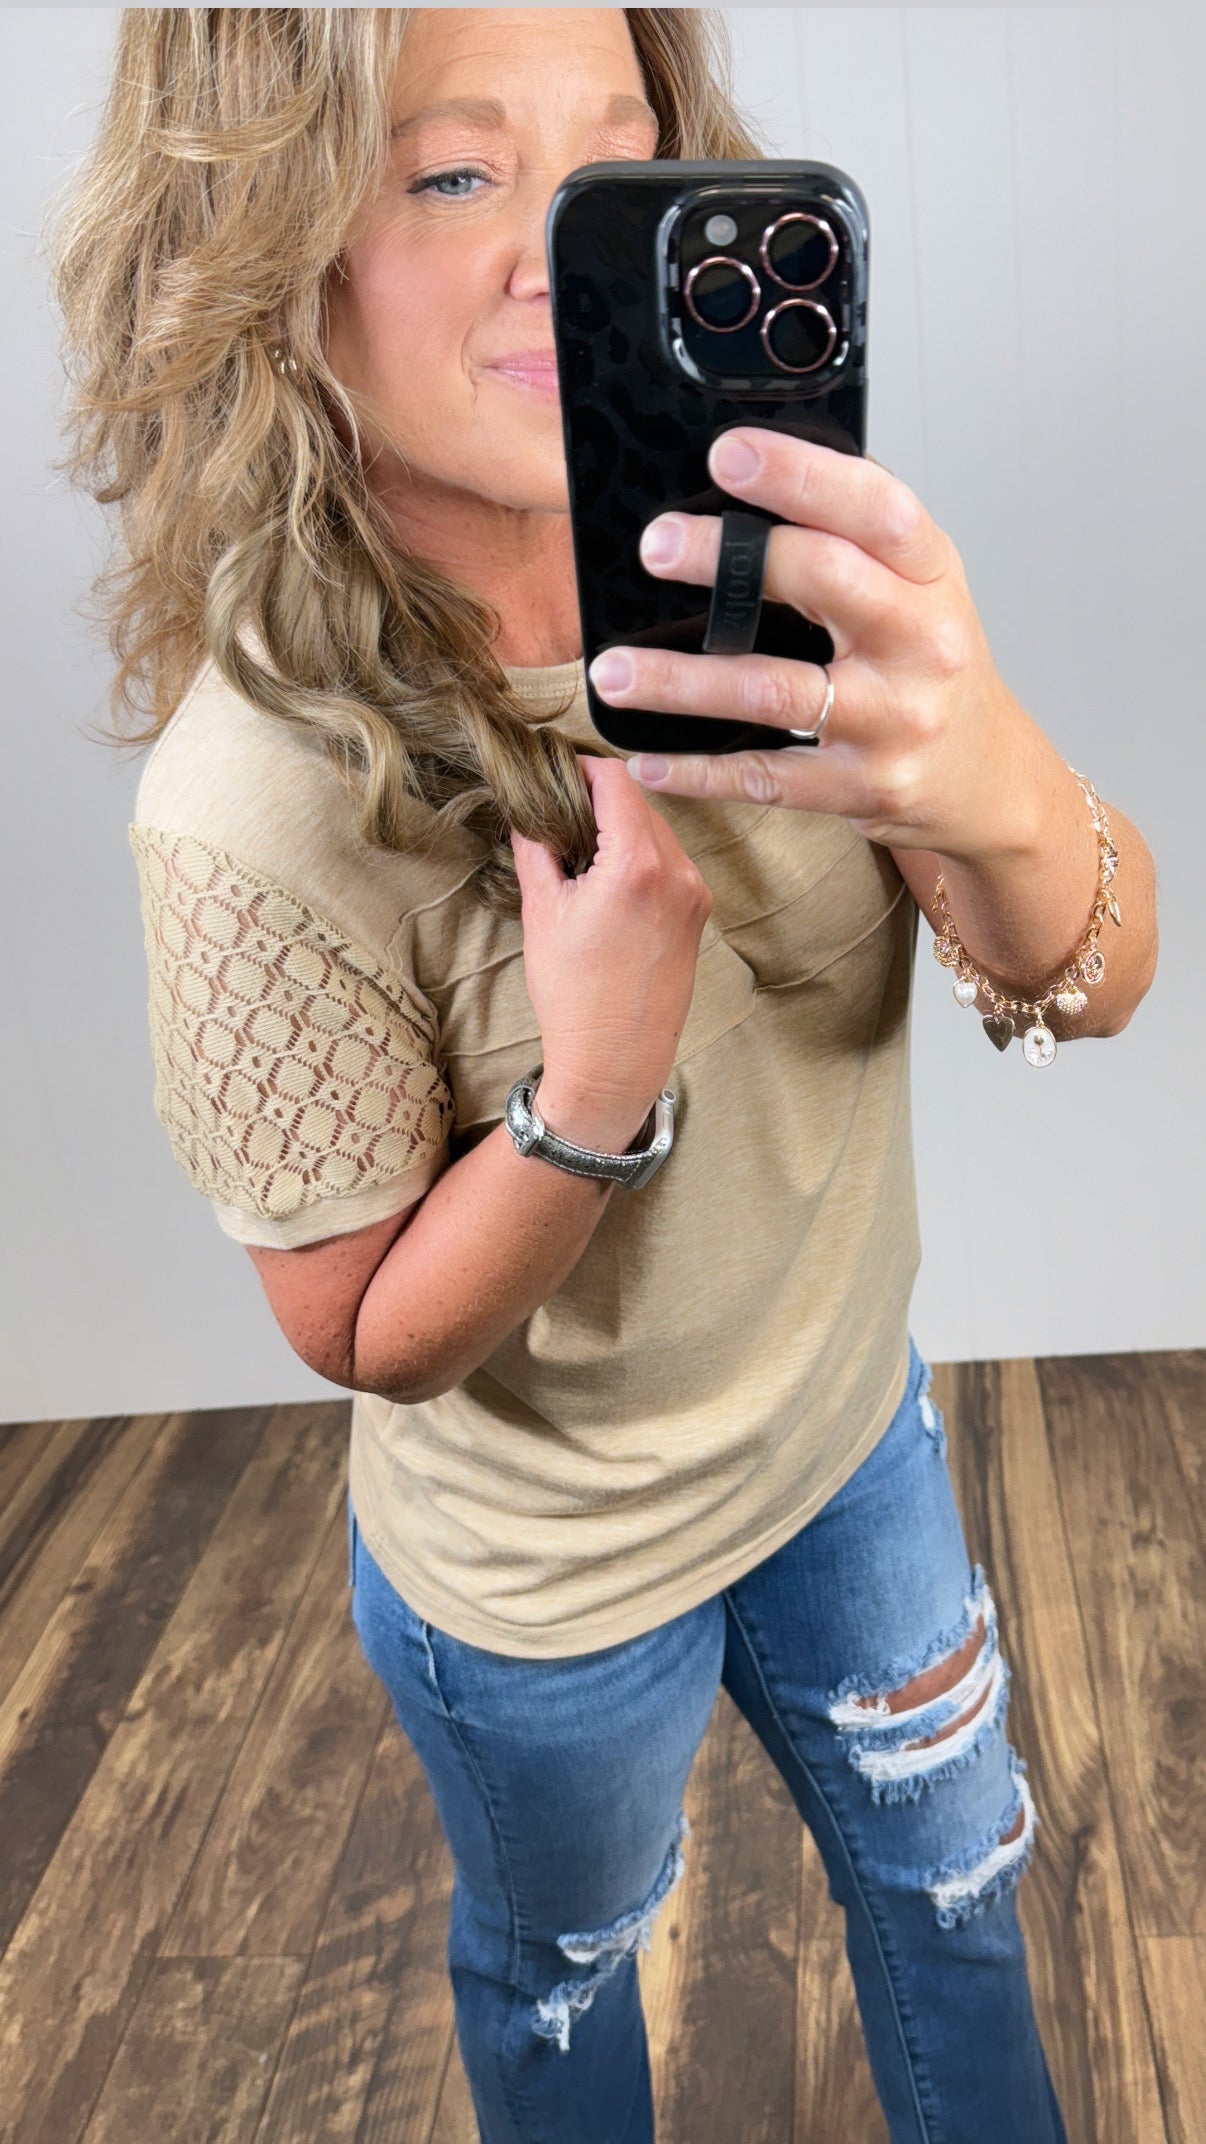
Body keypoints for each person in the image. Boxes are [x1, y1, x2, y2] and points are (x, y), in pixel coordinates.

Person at [50, 9, 1158, 2140]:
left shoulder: (786, 585)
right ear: (263, 243)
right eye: (453, 173)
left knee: (961, 1900)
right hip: (545, 1592)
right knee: (562, 1975)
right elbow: (361, 1334)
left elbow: (1090, 983)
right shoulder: (251, 804)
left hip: (846, 1442)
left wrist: (996, 775)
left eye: (613, 157)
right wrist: (595, 1086)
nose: (554, 247)